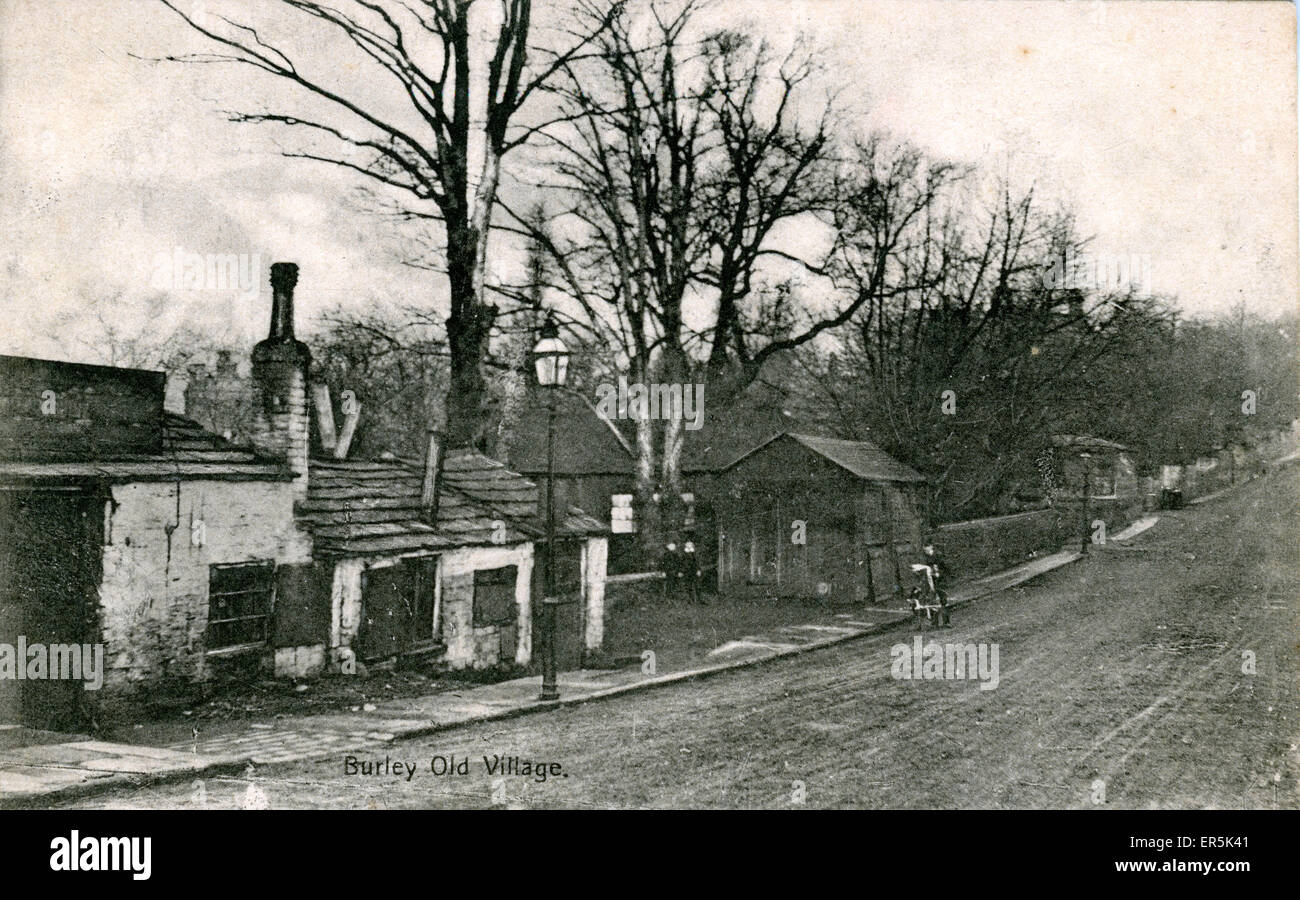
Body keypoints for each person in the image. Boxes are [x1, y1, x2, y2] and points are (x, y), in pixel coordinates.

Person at [919, 542, 950, 627]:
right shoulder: (925, 558)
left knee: (943, 600)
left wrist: (939, 573)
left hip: (940, 581)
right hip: (931, 582)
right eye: (924, 549)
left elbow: (946, 568)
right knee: (932, 601)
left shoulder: (939, 555)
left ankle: (946, 622)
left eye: (927, 548)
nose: (926, 550)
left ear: (931, 546)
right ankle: (934, 623)